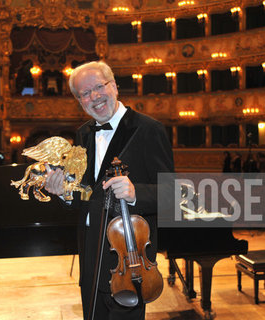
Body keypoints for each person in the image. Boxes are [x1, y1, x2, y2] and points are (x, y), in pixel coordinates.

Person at [44, 61, 174, 320]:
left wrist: (136, 192)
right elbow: (87, 194)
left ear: (114, 86)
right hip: (91, 246)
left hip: (129, 251)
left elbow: (172, 195)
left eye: (98, 87)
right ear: (80, 101)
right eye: (84, 94)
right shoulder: (83, 134)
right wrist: (64, 192)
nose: (93, 97)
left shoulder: (149, 130)